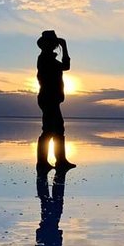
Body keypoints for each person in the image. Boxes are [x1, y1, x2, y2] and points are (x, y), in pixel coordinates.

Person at [36, 30, 76, 172]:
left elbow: (66, 67)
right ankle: (43, 163)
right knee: (49, 130)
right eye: (52, 43)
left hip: (51, 98)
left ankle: (60, 161)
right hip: (48, 98)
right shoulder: (45, 58)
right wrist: (64, 47)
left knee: (58, 129)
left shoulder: (49, 58)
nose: (53, 46)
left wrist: (64, 47)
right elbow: (65, 67)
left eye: (54, 43)